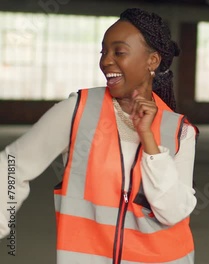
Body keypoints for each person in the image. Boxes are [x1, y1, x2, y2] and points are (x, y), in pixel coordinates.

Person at [0, 8, 198, 264]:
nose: (106, 61)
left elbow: (172, 212)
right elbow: (12, 165)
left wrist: (148, 139)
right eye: (103, 52)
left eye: (119, 52)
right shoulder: (77, 111)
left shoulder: (179, 130)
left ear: (152, 61)